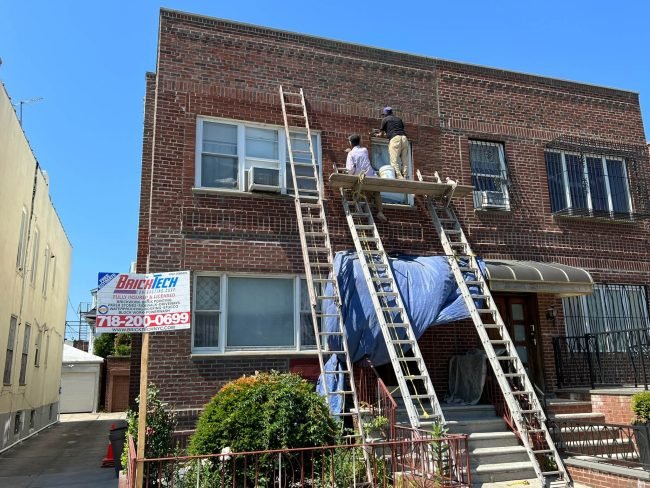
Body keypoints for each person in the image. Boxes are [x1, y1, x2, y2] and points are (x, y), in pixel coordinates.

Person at [345, 134, 387, 223]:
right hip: (371, 176)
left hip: (360, 178)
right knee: (376, 192)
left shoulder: (351, 153)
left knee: (356, 189)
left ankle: (360, 210)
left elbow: (350, 169)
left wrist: (349, 153)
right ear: (359, 141)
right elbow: (361, 156)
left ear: (350, 143)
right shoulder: (365, 150)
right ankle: (380, 212)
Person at [376, 106, 410, 179]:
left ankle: (399, 176)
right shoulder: (398, 119)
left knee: (394, 159)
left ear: (385, 113)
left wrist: (377, 135)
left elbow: (381, 134)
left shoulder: (385, 119)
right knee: (405, 159)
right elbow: (398, 129)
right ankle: (405, 175)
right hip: (404, 138)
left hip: (395, 139)